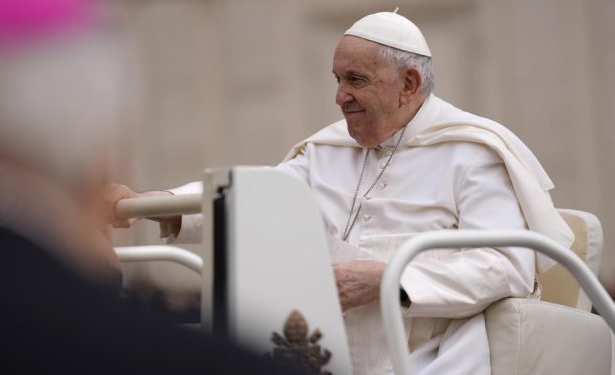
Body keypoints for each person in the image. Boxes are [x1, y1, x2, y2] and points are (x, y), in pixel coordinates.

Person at [105, 10, 574, 375]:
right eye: (338, 80)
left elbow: (505, 266)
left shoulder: (473, 153)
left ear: (408, 85)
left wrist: (387, 279)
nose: (339, 96)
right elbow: (255, 197)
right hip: (330, 348)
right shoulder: (327, 151)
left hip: (432, 355)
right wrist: (154, 204)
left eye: (355, 80)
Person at [0, 0, 293, 373]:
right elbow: (289, 191)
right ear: (97, 144)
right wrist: (164, 204)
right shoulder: (192, 363)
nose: (342, 95)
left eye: (355, 79)